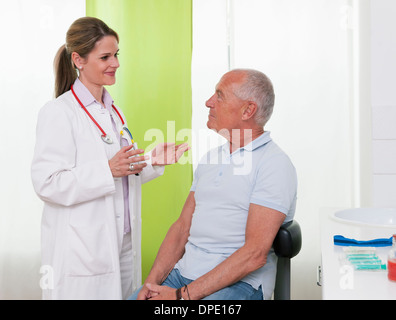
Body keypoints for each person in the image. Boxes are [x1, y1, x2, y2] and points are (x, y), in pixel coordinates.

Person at [31, 17, 189, 300]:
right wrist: (107, 170)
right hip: (83, 249)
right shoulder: (58, 112)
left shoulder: (114, 112)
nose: (115, 63)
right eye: (105, 57)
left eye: (116, 54)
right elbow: (47, 183)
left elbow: (123, 169)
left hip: (123, 243)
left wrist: (154, 160)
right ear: (78, 60)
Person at [129, 69, 297, 300]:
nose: (209, 102)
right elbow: (181, 228)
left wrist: (181, 296)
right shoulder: (210, 158)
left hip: (239, 284)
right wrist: (151, 284)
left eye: (219, 95)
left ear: (248, 110)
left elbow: (254, 254)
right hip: (184, 275)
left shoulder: (274, 165)